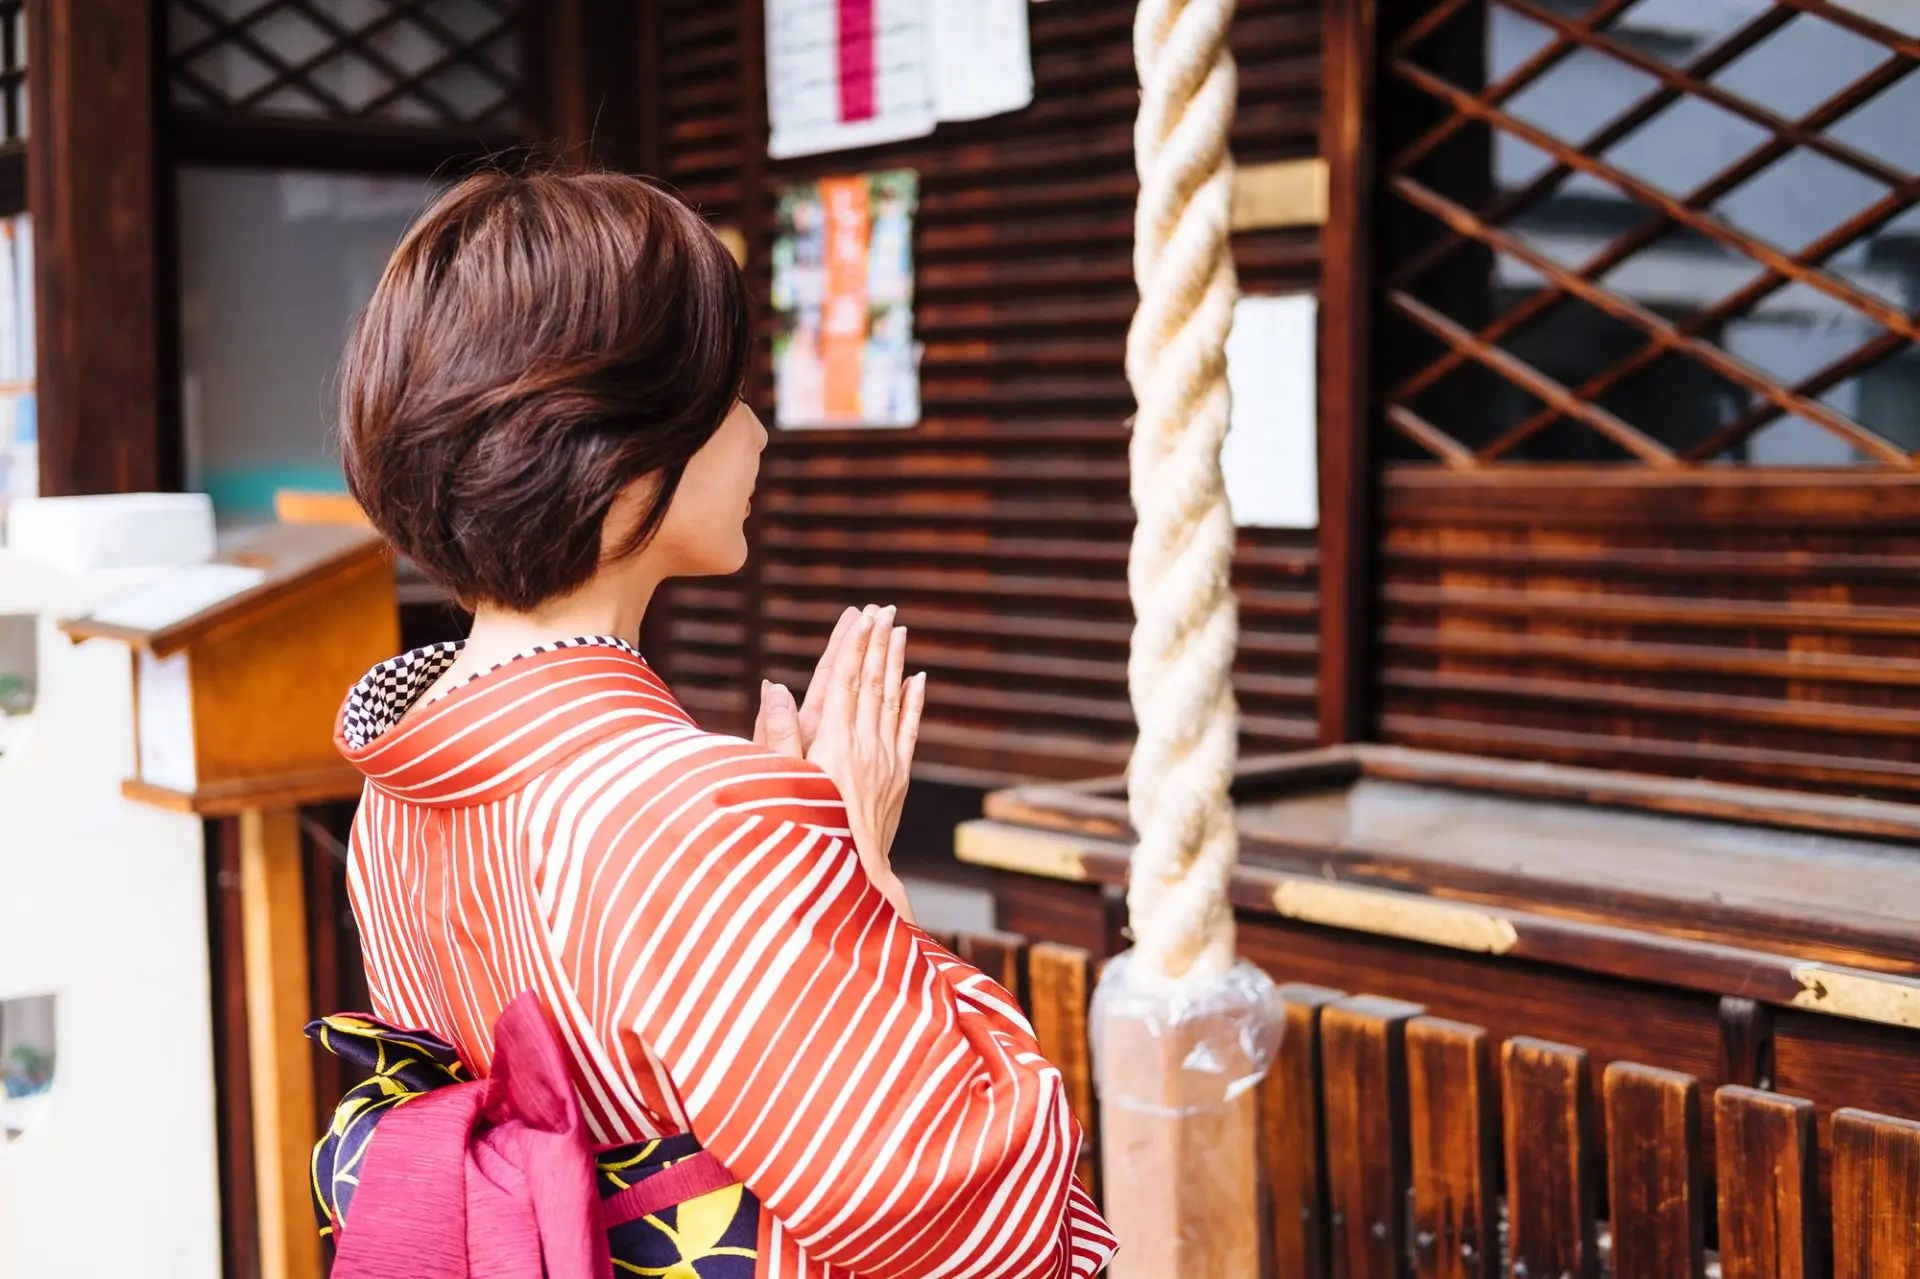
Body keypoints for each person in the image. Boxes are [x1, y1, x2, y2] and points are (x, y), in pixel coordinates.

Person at [325, 168, 1117, 1278]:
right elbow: (978, 1218)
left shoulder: (395, 788)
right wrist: (856, 875)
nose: (756, 433)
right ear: (613, 444)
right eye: (726, 395)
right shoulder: (692, 816)